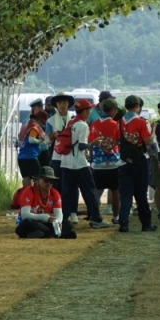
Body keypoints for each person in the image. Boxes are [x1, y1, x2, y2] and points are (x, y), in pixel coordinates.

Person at [60, 98, 109, 229]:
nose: (90, 111)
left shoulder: (70, 123)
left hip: (66, 162)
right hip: (79, 163)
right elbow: (82, 146)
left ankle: (63, 219)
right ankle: (96, 219)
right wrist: (94, 143)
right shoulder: (83, 125)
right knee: (90, 191)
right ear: (84, 111)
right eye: (89, 109)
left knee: (68, 193)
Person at [117, 95, 159, 232]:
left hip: (124, 161)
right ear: (137, 106)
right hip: (139, 161)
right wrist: (153, 129)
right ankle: (146, 223)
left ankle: (123, 222)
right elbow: (148, 141)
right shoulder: (141, 122)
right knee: (141, 194)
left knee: (125, 194)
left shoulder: (119, 122)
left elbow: (116, 140)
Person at [90, 98, 122, 224]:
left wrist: (92, 159)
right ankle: (116, 217)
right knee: (115, 190)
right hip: (113, 163)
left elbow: (91, 144)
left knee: (97, 191)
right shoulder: (115, 125)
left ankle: (94, 217)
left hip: (97, 164)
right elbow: (119, 143)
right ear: (113, 110)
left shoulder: (94, 124)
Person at [15, 167, 73, 238]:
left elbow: (58, 213)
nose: (49, 183)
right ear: (38, 179)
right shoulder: (29, 191)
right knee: (27, 222)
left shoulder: (54, 193)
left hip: (45, 224)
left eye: (51, 181)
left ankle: (44, 234)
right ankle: (55, 234)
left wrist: (57, 222)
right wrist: (44, 217)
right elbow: (25, 215)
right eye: (46, 180)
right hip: (31, 223)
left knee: (68, 224)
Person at [44, 92, 75, 207]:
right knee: (57, 182)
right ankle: (57, 206)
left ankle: (71, 209)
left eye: (64, 103)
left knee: (71, 183)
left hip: (72, 155)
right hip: (57, 156)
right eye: (60, 103)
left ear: (68, 104)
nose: (62, 105)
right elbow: (46, 140)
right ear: (56, 105)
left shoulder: (74, 118)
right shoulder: (51, 121)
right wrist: (51, 137)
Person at [16, 99, 46, 187]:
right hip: (31, 156)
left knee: (26, 177)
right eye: (42, 122)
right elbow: (31, 140)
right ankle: (36, 194)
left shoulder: (26, 124)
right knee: (37, 178)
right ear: (39, 120)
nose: (42, 125)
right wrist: (41, 140)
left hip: (21, 157)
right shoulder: (34, 127)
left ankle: (26, 194)